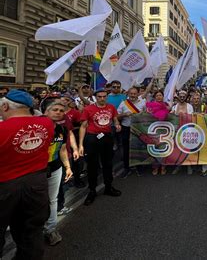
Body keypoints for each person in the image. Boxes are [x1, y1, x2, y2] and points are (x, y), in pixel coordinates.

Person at [0, 90, 54, 259]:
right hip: (36, 183)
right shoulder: (47, 124)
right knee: (31, 233)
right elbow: (39, 116)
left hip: (5, 185)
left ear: (5, 106)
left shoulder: (2, 128)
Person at [79, 89, 122, 206]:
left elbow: (115, 119)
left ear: (107, 97)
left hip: (107, 137)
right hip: (92, 138)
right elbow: (83, 127)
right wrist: (80, 144)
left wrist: (117, 124)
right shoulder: (88, 109)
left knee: (107, 163)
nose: (102, 98)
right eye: (99, 97)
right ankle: (92, 191)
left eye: (104, 96)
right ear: (95, 97)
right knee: (92, 165)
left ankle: (108, 187)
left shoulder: (111, 107)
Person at [43, 101, 74, 246]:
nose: (59, 112)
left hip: (55, 169)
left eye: (62, 110)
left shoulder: (63, 129)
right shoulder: (38, 128)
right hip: (36, 171)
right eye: (55, 109)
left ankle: (50, 230)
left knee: (52, 200)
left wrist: (67, 167)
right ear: (46, 112)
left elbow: (62, 150)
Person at [117, 87, 146, 178]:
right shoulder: (123, 103)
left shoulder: (143, 103)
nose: (133, 95)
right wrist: (125, 114)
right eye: (131, 94)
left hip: (138, 129)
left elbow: (147, 115)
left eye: (134, 93)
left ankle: (139, 167)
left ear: (138, 94)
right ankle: (127, 168)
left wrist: (141, 115)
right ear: (128, 94)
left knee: (138, 148)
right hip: (126, 128)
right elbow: (116, 116)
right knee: (126, 149)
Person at [146, 90, 170, 176]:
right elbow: (147, 115)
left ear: (163, 96)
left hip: (164, 130)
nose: (159, 97)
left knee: (164, 147)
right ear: (155, 97)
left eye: (160, 95)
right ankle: (155, 166)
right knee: (155, 148)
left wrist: (170, 110)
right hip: (154, 129)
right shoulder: (150, 106)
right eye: (157, 95)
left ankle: (163, 166)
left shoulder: (166, 105)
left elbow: (170, 115)